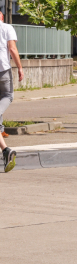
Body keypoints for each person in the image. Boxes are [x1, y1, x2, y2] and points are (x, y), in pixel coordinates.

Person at [0, 10, 23, 172]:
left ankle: (5, 151)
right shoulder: (7, 27)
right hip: (3, 71)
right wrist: (20, 68)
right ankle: (6, 150)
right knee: (8, 96)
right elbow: (12, 49)